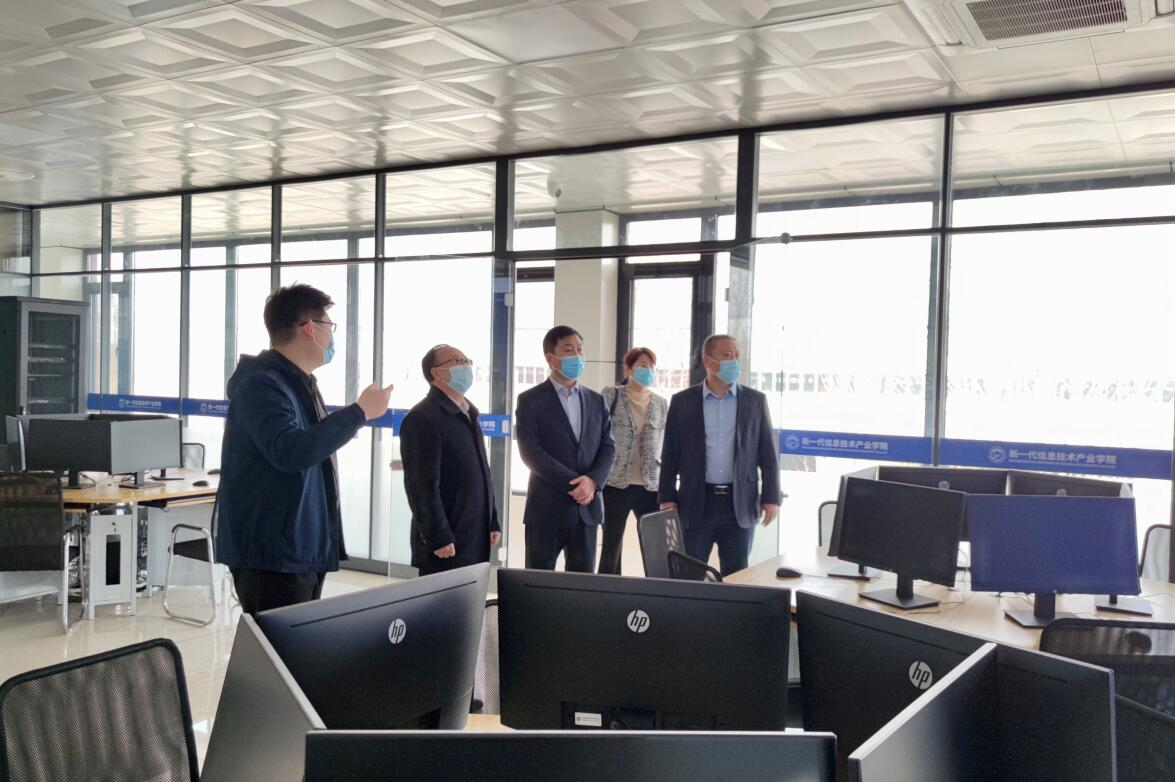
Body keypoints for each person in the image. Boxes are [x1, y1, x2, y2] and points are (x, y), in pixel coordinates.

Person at [216, 284, 392, 614]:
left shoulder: (298, 383)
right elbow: (290, 451)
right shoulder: (262, 384)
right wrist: (359, 413)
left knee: (296, 644)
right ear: (311, 328)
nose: (332, 337)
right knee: (274, 645)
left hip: (299, 548)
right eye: (329, 326)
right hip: (272, 553)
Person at [658, 334, 780, 577]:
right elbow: (670, 454)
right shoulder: (683, 402)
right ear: (708, 361)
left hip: (739, 503)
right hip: (696, 501)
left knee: (737, 575)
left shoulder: (755, 401)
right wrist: (667, 497)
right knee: (690, 573)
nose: (734, 361)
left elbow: (767, 453)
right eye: (726, 355)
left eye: (736, 355)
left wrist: (771, 497)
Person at [515, 325, 615, 572]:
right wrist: (576, 485)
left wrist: (592, 482)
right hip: (546, 508)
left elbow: (608, 447)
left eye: (580, 350)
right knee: (539, 583)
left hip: (587, 509)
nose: (577, 356)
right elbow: (532, 453)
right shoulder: (530, 400)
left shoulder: (596, 400)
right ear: (551, 358)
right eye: (569, 350)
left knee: (582, 586)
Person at [400, 344, 502, 575]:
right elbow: (420, 487)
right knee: (443, 598)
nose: (465, 366)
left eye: (467, 361)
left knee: (470, 597)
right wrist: (438, 536)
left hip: (474, 533)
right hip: (446, 542)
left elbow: (482, 473)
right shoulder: (423, 417)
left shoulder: (469, 413)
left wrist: (491, 520)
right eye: (457, 361)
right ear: (436, 373)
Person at [597, 347, 668, 575]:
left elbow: (666, 443)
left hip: (650, 485)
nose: (649, 371)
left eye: (652, 367)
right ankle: (609, 589)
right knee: (611, 545)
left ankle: (657, 589)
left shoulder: (661, 403)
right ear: (629, 369)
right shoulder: (611, 395)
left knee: (656, 546)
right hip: (615, 483)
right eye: (643, 365)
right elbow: (597, 434)